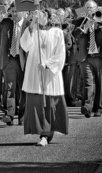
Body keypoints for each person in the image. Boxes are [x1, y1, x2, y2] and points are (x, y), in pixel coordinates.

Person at [20, 9, 69, 147]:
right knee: (38, 104)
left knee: (49, 104)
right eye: (34, 13)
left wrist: (47, 64)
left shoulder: (57, 32)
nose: (35, 16)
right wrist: (30, 26)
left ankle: (46, 135)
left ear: (46, 16)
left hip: (50, 74)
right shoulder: (32, 30)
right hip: (35, 72)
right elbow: (24, 45)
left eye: (38, 13)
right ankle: (43, 133)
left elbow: (61, 54)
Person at [74, 0, 102, 118]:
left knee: (100, 82)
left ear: (96, 8)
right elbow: (75, 34)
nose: (89, 10)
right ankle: (88, 106)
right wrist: (85, 27)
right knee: (88, 81)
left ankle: (98, 107)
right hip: (85, 57)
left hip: (100, 56)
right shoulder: (80, 21)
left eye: (91, 8)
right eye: (87, 8)